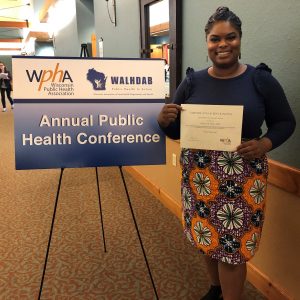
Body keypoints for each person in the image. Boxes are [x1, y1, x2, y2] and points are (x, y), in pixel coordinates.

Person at [157, 7, 296, 300]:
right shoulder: (192, 81)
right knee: (205, 238)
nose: (222, 44)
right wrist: (164, 121)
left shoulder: (260, 80)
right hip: (200, 177)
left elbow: (285, 122)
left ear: (240, 39)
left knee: (233, 250)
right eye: (214, 38)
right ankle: (215, 289)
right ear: (207, 42)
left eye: (230, 37)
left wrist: (265, 144)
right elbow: (176, 131)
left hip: (243, 178)